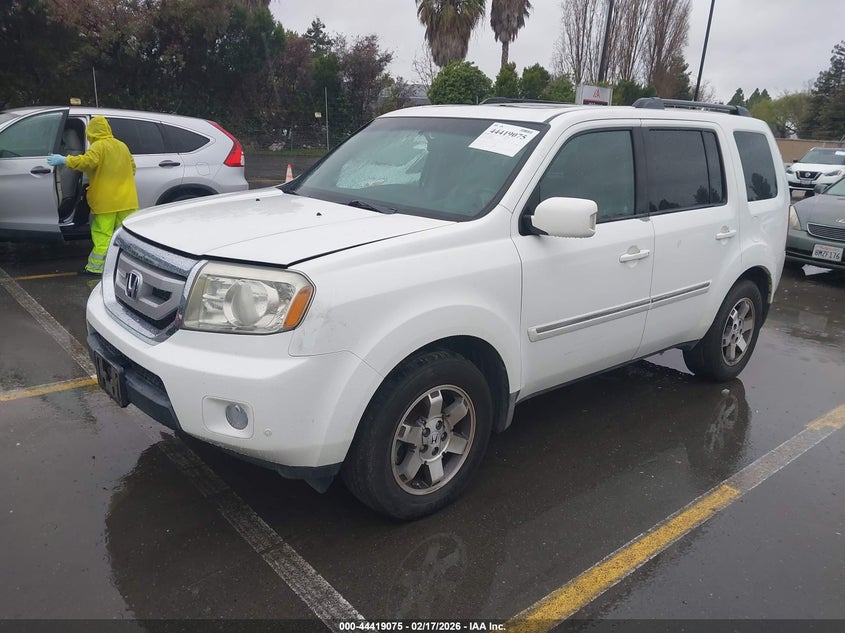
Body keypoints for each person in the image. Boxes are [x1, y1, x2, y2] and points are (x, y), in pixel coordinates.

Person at [48, 116, 138, 276]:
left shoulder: (98, 147)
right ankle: (126, 267)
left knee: (103, 235)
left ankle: (95, 268)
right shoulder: (122, 146)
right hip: (127, 200)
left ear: (92, 131)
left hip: (106, 203)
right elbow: (132, 168)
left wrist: (65, 160)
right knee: (125, 235)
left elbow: (86, 162)